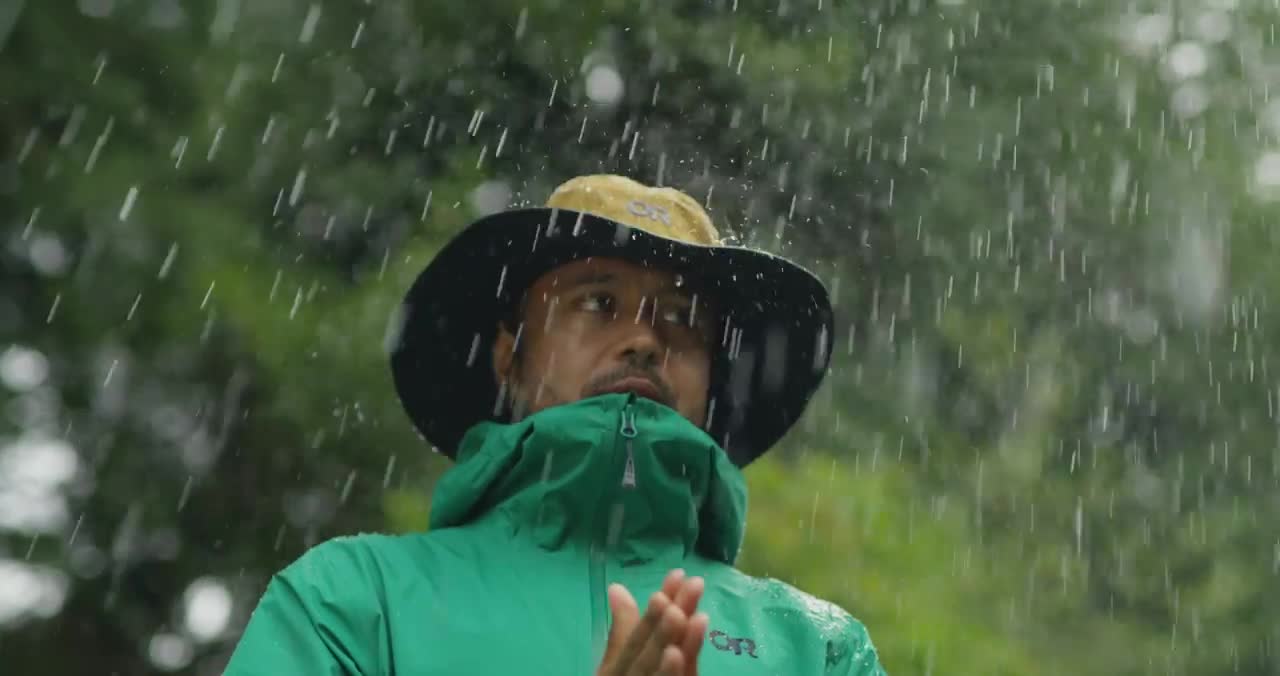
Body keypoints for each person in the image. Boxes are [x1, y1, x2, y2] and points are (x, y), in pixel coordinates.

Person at [223, 175, 886, 675]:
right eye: (599, 302)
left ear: (713, 379)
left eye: (681, 319)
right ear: (510, 353)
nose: (644, 341)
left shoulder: (817, 648)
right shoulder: (354, 602)